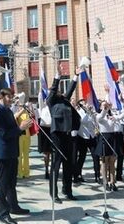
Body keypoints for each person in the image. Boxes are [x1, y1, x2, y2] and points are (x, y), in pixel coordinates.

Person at [0, 88, 32, 224]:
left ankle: (13, 206)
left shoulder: (8, 111)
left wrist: (22, 128)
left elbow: (13, 131)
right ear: (2, 97)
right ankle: (3, 214)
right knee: (2, 185)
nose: (11, 99)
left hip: (12, 152)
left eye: (12, 97)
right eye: (9, 97)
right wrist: (20, 128)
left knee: (11, 183)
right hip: (2, 154)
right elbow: (3, 134)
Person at [47, 71, 79, 202]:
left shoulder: (65, 101)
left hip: (68, 135)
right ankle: (53, 194)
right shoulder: (51, 101)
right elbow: (53, 89)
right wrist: (57, 77)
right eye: (56, 90)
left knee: (68, 164)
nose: (59, 91)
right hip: (57, 136)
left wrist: (76, 76)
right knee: (56, 164)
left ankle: (67, 190)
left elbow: (70, 89)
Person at [96, 101, 119, 191]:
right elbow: (101, 116)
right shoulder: (99, 116)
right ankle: (105, 181)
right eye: (103, 105)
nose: (105, 106)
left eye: (106, 105)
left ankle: (113, 182)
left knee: (112, 161)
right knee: (105, 161)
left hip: (112, 137)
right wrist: (105, 109)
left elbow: (121, 117)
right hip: (104, 138)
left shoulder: (111, 116)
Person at [14, 93, 33, 179]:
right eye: (18, 102)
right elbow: (15, 117)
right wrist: (22, 109)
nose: (19, 103)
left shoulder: (26, 110)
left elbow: (31, 117)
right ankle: (19, 172)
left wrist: (29, 108)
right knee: (19, 155)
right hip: (19, 135)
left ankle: (26, 172)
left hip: (27, 135)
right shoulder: (15, 109)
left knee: (26, 155)